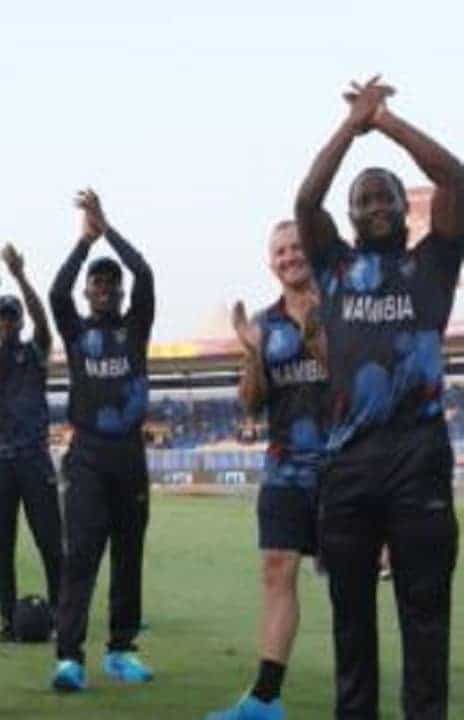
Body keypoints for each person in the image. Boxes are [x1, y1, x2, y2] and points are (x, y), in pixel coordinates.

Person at [293, 76, 462, 719]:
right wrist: (349, 128)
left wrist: (384, 122)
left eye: (385, 195)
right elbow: (307, 199)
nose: (376, 205)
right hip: (350, 463)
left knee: (425, 618)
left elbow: (456, 178)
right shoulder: (333, 267)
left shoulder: (434, 262)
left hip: (419, 456)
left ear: (403, 208)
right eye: (363, 200)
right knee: (351, 623)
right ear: (352, 218)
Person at [205, 221, 328, 720]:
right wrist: (253, 352)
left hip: (344, 467)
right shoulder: (264, 323)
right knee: (277, 570)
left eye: (297, 247)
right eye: (280, 251)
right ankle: (264, 699)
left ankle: (357, 692)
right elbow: (251, 403)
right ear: (270, 262)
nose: (290, 257)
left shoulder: (341, 308)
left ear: (312, 250)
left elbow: (352, 378)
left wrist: (314, 330)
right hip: (284, 468)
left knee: (349, 581)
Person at [48, 189, 155, 692]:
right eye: (98, 283)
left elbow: (145, 273)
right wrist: (84, 244)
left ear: (121, 292)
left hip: (129, 455)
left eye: (113, 283)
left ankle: (121, 649)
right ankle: (69, 657)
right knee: (81, 556)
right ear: (89, 292)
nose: (106, 289)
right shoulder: (76, 333)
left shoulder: (136, 328)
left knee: (128, 555)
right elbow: (56, 293)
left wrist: (108, 228)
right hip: (87, 455)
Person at [0, 245, 61, 643]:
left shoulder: (35, 353)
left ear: (19, 322)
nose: (6, 322)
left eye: (11, 316)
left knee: (50, 542)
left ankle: (62, 616)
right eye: (0, 317)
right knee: (2, 546)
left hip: (34, 459)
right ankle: (7, 621)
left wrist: (20, 276)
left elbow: (44, 323)